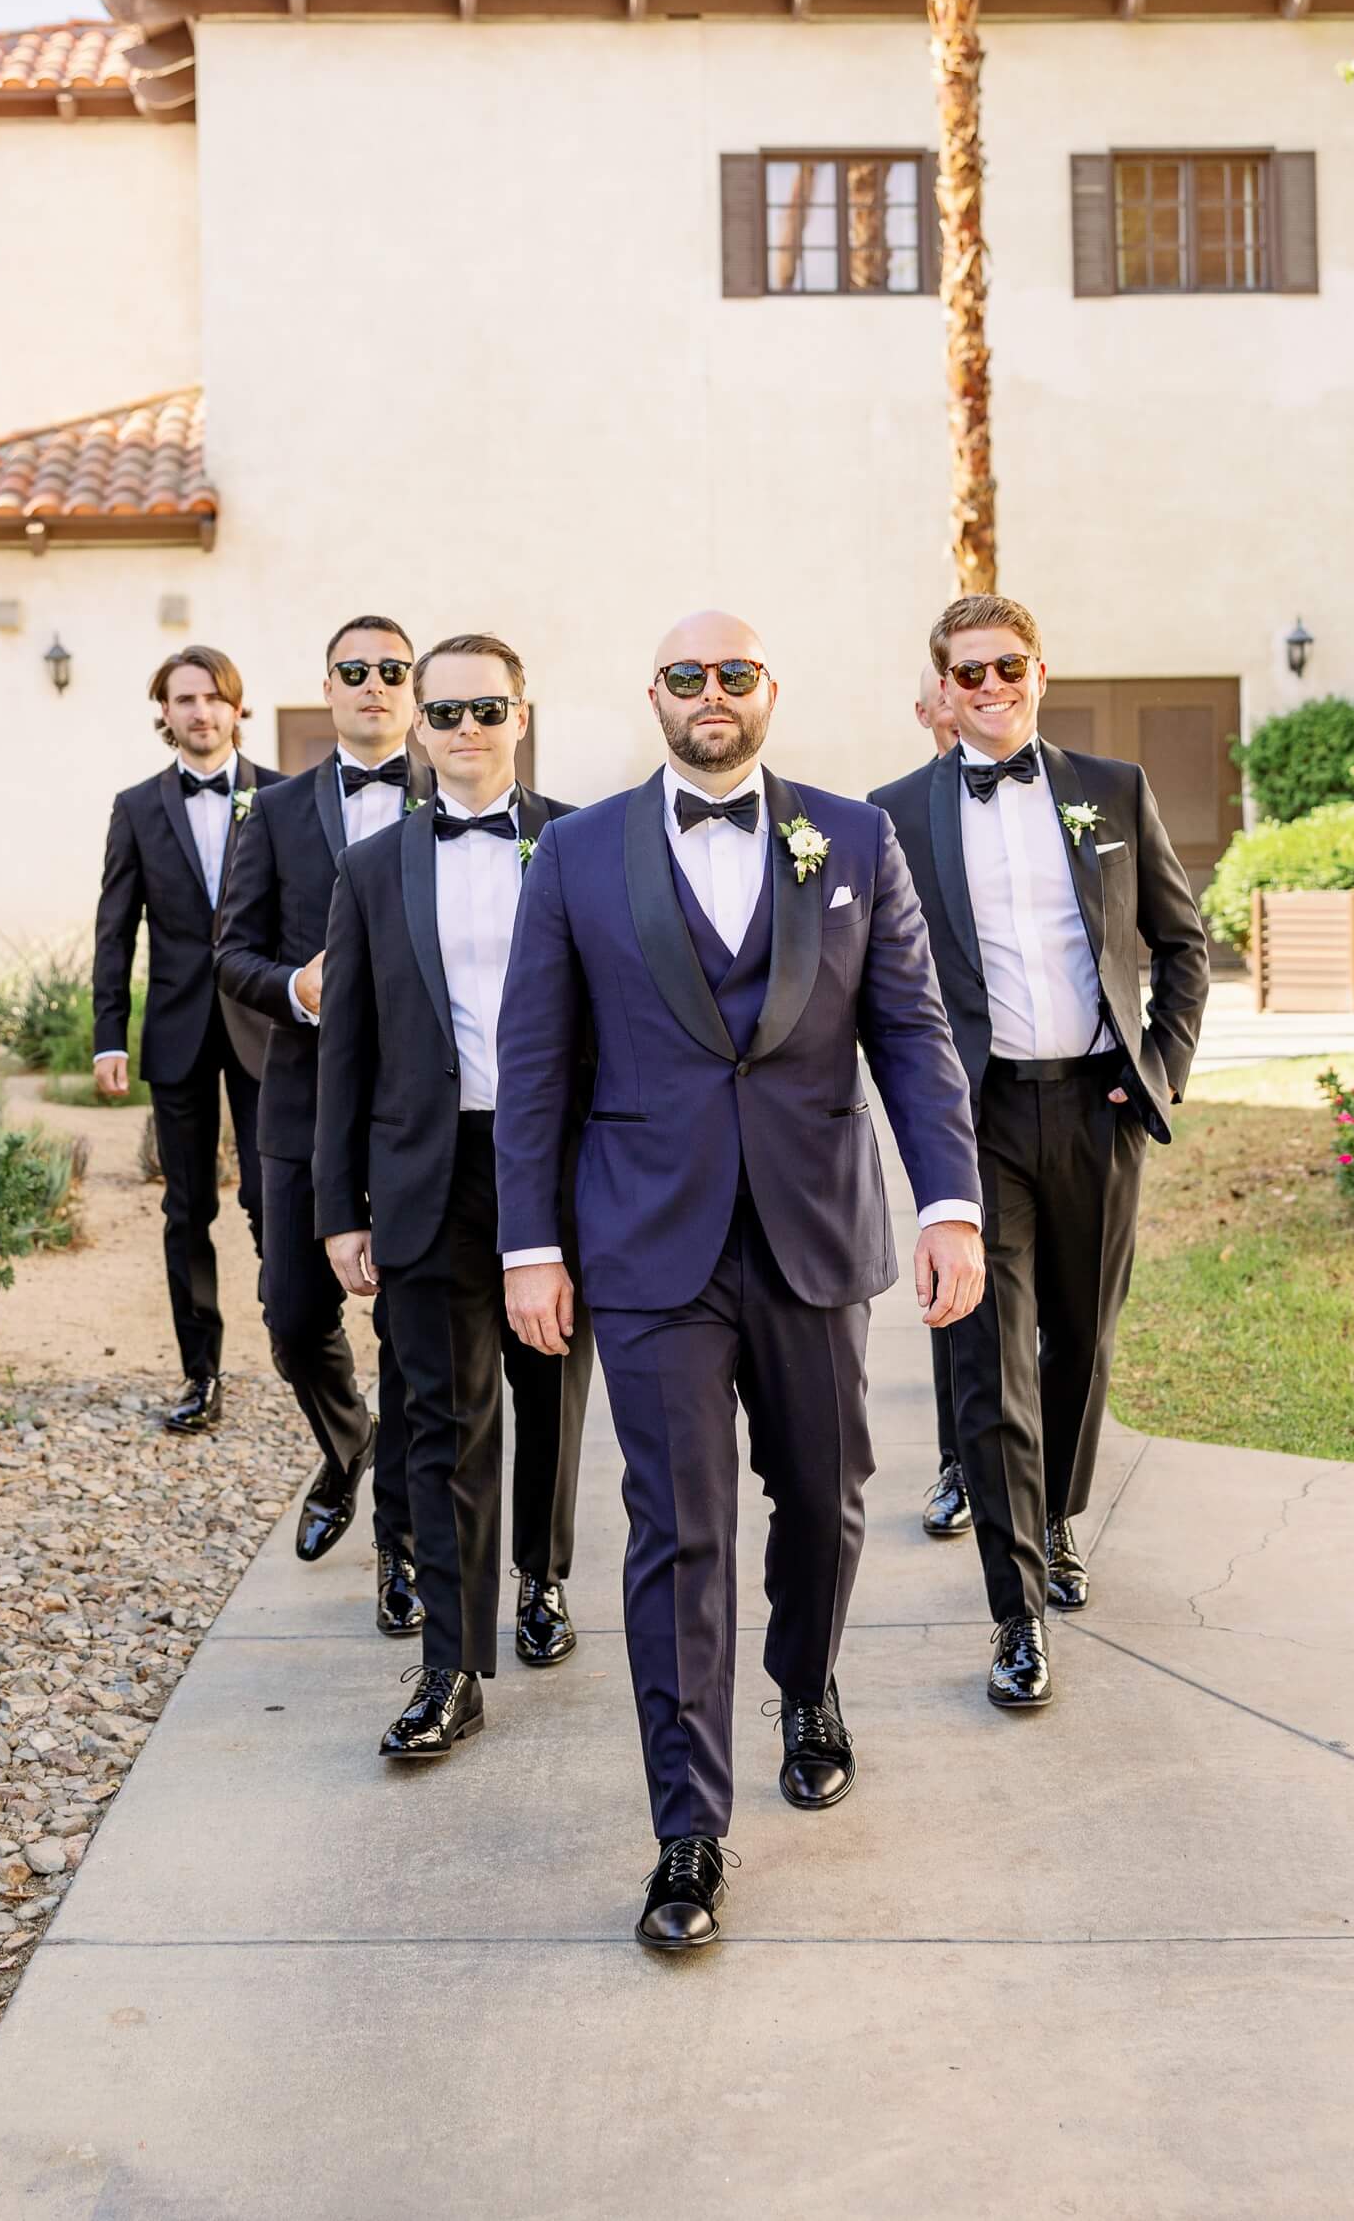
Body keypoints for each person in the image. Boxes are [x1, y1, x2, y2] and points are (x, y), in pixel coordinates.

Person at [497, 609, 983, 1953]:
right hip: (647, 1247)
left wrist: (950, 1202)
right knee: (678, 1531)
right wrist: (529, 1244)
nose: (711, 694)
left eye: (735, 673)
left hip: (815, 1229)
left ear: (772, 689)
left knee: (825, 1499)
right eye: (685, 674)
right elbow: (535, 1063)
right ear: (651, 693)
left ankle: (808, 1684)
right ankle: (687, 1829)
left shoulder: (855, 839)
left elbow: (912, 1031)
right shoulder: (577, 853)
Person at [871, 595, 1209, 1710]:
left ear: (1037, 671)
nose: (988, 687)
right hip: (973, 1125)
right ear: (941, 688)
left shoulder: (1109, 792)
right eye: (965, 674)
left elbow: (1179, 943)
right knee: (988, 1362)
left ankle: (1058, 1518)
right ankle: (1014, 1614)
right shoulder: (892, 817)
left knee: (1080, 1342)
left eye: (1004, 666)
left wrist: (1154, 1069)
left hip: (1098, 1110)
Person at [314, 632, 593, 1760]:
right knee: (440, 1421)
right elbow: (349, 1050)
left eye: (488, 709)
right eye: (445, 713)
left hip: (558, 1171)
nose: (465, 730)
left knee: (552, 1392)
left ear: (521, 715)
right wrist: (341, 1204)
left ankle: (540, 1578)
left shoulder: (583, 844)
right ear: (417, 728)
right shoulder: (373, 868)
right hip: (427, 1175)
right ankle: (449, 1663)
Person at [215, 615, 424, 1637]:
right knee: (294, 1318)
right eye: (355, 671)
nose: (374, 686)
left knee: (411, 1336)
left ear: (414, 688)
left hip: (423, 1115)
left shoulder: (458, 797)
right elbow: (230, 952)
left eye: (392, 670)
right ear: (328, 688)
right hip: (300, 1111)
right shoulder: (276, 809)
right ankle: (349, 1447)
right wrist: (295, 985)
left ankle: (402, 1554)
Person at [92, 646, 285, 1435]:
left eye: (213, 697)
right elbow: (115, 929)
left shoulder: (282, 796)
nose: (200, 711)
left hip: (267, 1028)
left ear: (238, 708)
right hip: (174, 1029)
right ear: (164, 714)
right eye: (184, 699)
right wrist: (109, 1035)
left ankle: (299, 1351)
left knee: (276, 1202)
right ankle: (200, 1373)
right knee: (186, 1207)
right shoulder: (136, 807)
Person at [913, 661, 971, 1542]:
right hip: (950, 1081)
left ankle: (1053, 1504)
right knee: (960, 1309)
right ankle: (960, 1462)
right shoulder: (896, 812)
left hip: (1069, 1091)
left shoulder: (1089, 795)